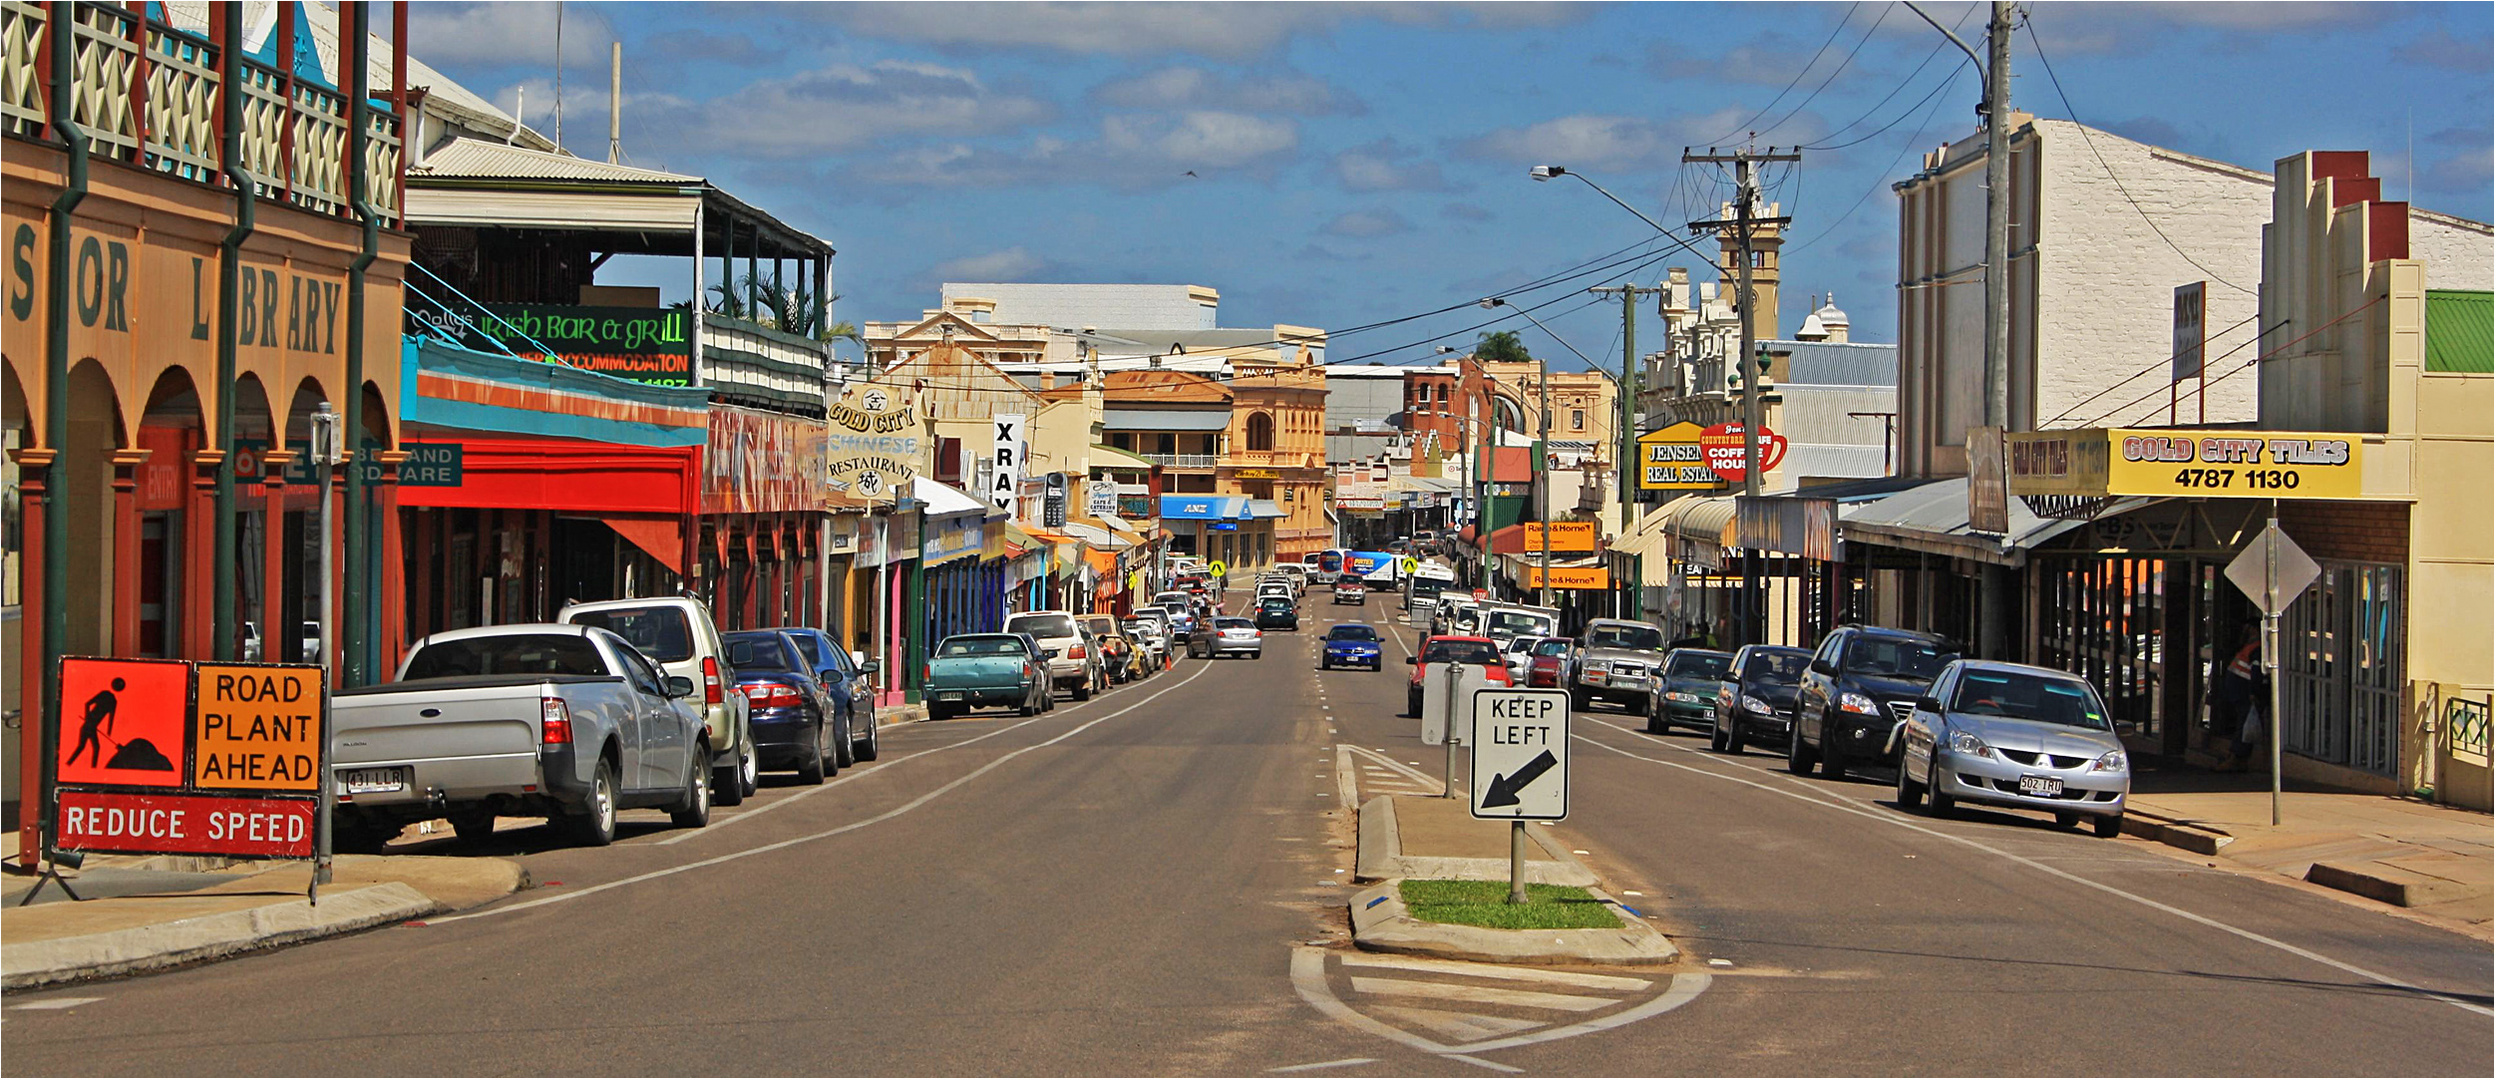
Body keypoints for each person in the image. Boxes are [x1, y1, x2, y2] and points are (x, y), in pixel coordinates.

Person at [2215, 632, 2266, 771]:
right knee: (2243, 723)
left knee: (2244, 724)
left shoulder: (2257, 648)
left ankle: (2237, 757)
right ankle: (2236, 756)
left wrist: (2254, 692)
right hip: (2240, 691)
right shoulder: (2253, 647)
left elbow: (2256, 672)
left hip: (2244, 692)